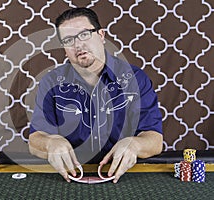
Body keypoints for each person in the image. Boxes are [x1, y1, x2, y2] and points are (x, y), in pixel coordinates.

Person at [28, 7, 163, 183]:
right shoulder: (51, 82)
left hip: (123, 177)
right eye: (69, 40)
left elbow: (155, 139)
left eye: (84, 34)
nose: (78, 45)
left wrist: (135, 144)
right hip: (69, 177)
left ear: (101, 35)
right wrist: (49, 143)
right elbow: (35, 140)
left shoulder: (135, 79)